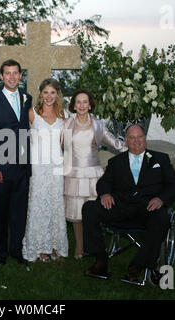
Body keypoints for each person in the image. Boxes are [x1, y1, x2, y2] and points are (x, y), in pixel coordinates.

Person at [82, 124, 175, 284]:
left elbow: (174, 185)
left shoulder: (160, 159)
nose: (137, 141)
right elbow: (104, 182)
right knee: (89, 208)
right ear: (126, 141)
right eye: (132, 137)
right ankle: (100, 261)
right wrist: (105, 193)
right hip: (121, 208)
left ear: (145, 139)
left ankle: (137, 266)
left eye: (140, 137)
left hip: (148, 209)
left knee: (162, 218)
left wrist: (161, 199)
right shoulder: (116, 162)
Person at [62, 89, 127, 259]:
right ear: (74, 106)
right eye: (78, 102)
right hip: (73, 174)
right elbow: (54, 144)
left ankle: (96, 246)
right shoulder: (66, 124)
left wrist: (135, 150)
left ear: (90, 105)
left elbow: (115, 143)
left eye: (85, 102)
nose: (82, 105)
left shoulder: (99, 125)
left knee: (95, 212)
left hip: (94, 175)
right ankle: (79, 247)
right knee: (77, 214)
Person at [0, 59, 32, 265]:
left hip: (22, 166)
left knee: (19, 212)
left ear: (20, 76)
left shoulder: (27, 98)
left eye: (15, 73)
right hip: (0, 167)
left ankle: (16, 250)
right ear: (1, 77)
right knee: (0, 213)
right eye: (7, 73)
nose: (12, 77)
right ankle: (1, 253)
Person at [22, 78, 68, 262]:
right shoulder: (31, 113)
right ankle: (39, 247)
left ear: (57, 95)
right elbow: (22, 139)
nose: (49, 96)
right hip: (38, 167)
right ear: (41, 93)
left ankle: (53, 245)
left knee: (55, 204)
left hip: (56, 166)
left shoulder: (62, 115)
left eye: (53, 92)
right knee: (39, 205)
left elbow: (62, 144)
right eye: (46, 92)